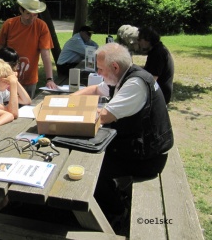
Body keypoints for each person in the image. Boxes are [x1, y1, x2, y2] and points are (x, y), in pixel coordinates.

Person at [72, 42, 174, 218]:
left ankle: (115, 211)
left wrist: (63, 116)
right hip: (139, 146)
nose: (98, 73)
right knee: (91, 155)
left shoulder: (135, 84)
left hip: (147, 157)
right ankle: (110, 200)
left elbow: (102, 117)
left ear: (115, 67)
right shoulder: (123, 75)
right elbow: (96, 89)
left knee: (90, 166)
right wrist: (66, 101)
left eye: (100, 69)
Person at [0, 0, 57, 98]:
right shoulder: (9, 24)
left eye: (35, 15)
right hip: (8, 78)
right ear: (21, 10)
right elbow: (0, 49)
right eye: (28, 14)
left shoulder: (41, 26)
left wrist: (49, 79)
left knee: (26, 107)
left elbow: (45, 54)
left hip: (30, 79)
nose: (32, 18)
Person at [137, 26, 174, 104]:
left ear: (147, 40)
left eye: (139, 40)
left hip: (160, 96)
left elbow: (152, 79)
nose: (138, 43)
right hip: (160, 93)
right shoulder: (157, 49)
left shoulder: (157, 53)